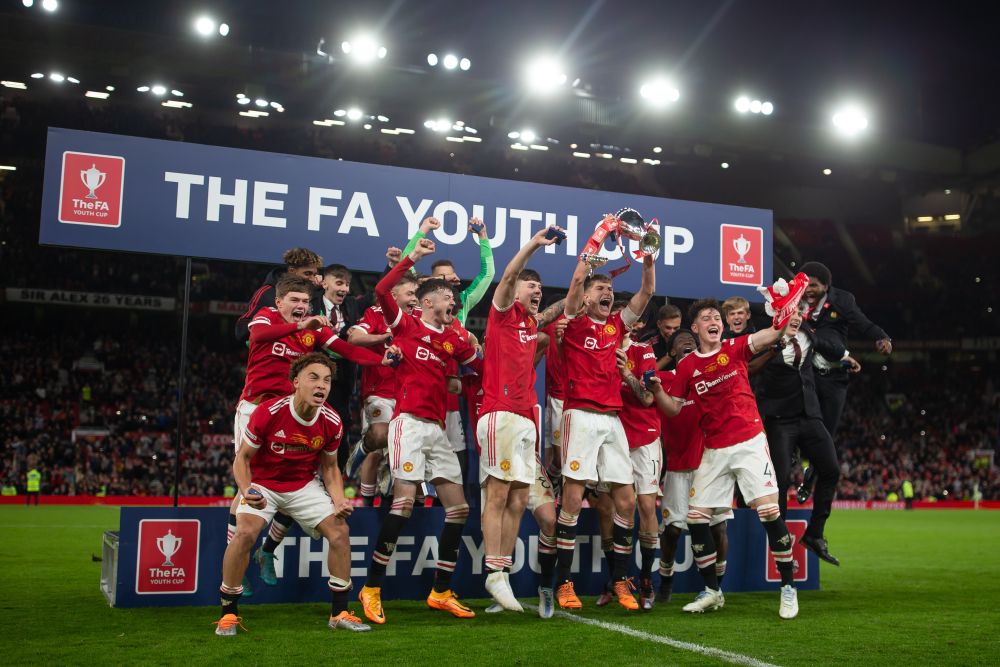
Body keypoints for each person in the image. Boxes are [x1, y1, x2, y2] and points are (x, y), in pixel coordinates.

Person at [232, 275, 392, 590]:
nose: (301, 307)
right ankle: (238, 567)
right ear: (279, 302)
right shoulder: (267, 318)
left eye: (305, 302)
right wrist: (299, 327)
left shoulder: (312, 330)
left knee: (297, 482)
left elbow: (347, 350)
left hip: (292, 415)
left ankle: (266, 552)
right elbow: (260, 335)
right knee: (246, 486)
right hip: (255, 408)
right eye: (294, 300)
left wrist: (381, 360)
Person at [357, 224, 484, 625]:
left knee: (459, 509)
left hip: (438, 429)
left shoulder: (452, 338)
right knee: (405, 502)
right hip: (408, 424)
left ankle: (441, 591)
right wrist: (412, 258)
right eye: (447, 297)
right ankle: (371, 587)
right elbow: (381, 292)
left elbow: (481, 364)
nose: (453, 300)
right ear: (428, 302)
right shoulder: (407, 325)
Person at [649, 298, 800, 619]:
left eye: (716, 317)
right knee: (697, 518)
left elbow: (772, 335)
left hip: (748, 440)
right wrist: (656, 390)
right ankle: (712, 592)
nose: (714, 321)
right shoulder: (688, 367)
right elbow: (674, 408)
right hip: (714, 450)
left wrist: (787, 312)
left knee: (769, 511)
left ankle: (788, 588)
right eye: (707, 318)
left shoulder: (734, 348)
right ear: (696, 328)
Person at [214, 353, 370, 635]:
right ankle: (228, 614)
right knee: (245, 534)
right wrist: (246, 489)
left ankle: (339, 613)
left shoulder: (332, 421)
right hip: (263, 483)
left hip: (303, 485)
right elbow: (242, 458)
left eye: (326, 380)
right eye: (314, 378)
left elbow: (330, 468)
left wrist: (338, 500)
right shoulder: (269, 412)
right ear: (296, 381)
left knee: (340, 533)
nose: (321, 385)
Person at [552, 243, 655, 611]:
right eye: (600, 289)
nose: (607, 293)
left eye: (609, 290)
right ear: (585, 298)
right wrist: (597, 241)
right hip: (579, 415)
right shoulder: (573, 322)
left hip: (612, 419)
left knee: (626, 501)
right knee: (573, 500)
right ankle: (563, 583)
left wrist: (648, 258)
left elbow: (646, 293)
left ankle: (620, 580)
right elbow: (579, 276)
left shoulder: (616, 326)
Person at [477, 226, 563, 613]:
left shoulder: (530, 327)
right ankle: (493, 572)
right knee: (497, 494)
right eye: (531, 288)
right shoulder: (501, 316)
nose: (535, 293)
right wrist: (534, 244)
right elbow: (509, 276)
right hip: (500, 415)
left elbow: (555, 314)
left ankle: (503, 574)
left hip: (525, 419)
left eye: (539, 290)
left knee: (516, 498)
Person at [753, 309, 842, 565]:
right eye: (789, 312)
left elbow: (829, 347)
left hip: (810, 416)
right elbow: (750, 369)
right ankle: (780, 548)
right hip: (780, 419)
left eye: (798, 312)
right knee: (779, 483)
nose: (795, 317)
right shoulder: (764, 339)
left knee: (831, 470)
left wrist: (846, 357)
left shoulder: (808, 335)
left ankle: (814, 534)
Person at [404, 217, 495, 467]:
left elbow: (488, 274)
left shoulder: (462, 304)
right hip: (416, 392)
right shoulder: (417, 304)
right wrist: (423, 230)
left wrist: (483, 238)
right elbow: (404, 266)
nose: (454, 282)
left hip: (449, 393)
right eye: (446, 279)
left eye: (454, 279)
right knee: (414, 456)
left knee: (454, 457)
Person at [798, 261, 890, 502]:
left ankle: (810, 477)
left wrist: (881, 337)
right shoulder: (795, 299)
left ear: (826, 287)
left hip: (835, 378)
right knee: (798, 423)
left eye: (814, 286)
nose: (808, 289)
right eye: (805, 284)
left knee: (826, 436)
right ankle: (794, 463)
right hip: (808, 375)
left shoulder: (842, 301)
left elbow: (862, 322)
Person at [655, 330, 731, 603]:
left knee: (718, 528)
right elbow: (643, 381)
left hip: (710, 465)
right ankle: (665, 580)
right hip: (677, 467)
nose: (688, 342)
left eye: (691, 339)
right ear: (672, 352)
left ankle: (717, 586)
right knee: (673, 530)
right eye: (680, 341)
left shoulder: (707, 378)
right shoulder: (663, 381)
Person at [347, 274, 419, 506]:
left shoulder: (418, 317)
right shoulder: (375, 313)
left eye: (416, 294)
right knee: (379, 439)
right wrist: (384, 337)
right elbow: (354, 337)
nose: (415, 299)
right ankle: (367, 503)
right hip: (379, 389)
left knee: (403, 449)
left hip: (409, 393)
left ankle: (390, 488)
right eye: (410, 294)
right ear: (393, 295)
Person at [612, 307, 663, 609]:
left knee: (645, 506)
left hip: (644, 437)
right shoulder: (602, 349)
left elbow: (647, 397)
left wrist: (624, 372)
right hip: (613, 437)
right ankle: (617, 580)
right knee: (615, 508)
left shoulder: (643, 352)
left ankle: (646, 577)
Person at [311, 264, 363, 471]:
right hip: (312, 376)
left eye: (348, 284)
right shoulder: (310, 300)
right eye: (339, 283)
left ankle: (336, 479)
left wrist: (392, 265)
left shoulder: (351, 304)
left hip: (342, 381)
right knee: (311, 426)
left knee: (340, 427)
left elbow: (378, 293)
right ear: (324, 283)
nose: (345, 289)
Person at [235, 248, 323, 344]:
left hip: (302, 353)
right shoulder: (267, 292)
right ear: (291, 271)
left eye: (314, 274)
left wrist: (319, 291)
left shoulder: (314, 293)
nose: (312, 279)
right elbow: (241, 330)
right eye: (307, 274)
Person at [640, 304, 682, 369]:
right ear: (659, 324)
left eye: (676, 328)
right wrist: (668, 357)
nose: (672, 332)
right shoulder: (646, 342)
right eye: (668, 328)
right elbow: (644, 373)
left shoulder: (686, 338)